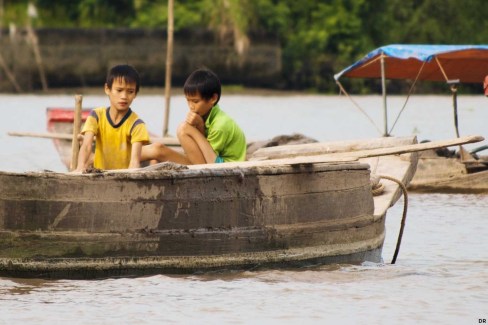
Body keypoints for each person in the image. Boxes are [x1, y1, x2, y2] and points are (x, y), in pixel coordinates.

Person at [142, 68, 246, 164]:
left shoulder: (220, 124)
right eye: (188, 100)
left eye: (195, 101)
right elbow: (200, 154)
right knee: (157, 149)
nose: (191, 106)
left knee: (183, 129)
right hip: (205, 164)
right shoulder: (205, 115)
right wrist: (200, 126)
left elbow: (211, 163)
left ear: (213, 99)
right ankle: (126, 157)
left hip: (224, 169)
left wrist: (199, 126)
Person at [74, 64, 150, 172]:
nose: (124, 96)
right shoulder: (96, 115)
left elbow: (134, 162)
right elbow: (86, 146)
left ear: (135, 94)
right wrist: (80, 168)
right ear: (107, 89)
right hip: (99, 175)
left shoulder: (137, 124)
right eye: (119, 90)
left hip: (123, 177)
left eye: (130, 92)